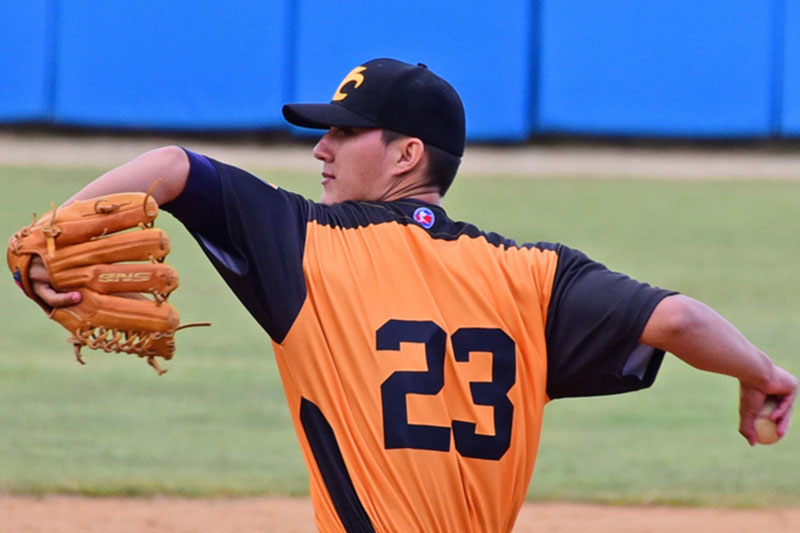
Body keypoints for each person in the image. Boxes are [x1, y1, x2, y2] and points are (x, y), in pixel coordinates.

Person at [19, 58, 798, 532]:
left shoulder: (304, 243)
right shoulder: (533, 274)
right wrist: (759, 371)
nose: (320, 148)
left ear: (407, 154)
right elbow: (680, 317)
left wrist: (50, 235)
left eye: (342, 133)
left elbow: (171, 166)